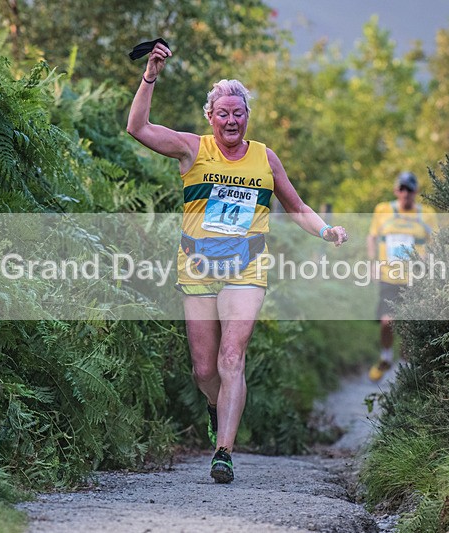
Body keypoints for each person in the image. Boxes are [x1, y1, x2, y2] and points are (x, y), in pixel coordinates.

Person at [126, 42, 348, 483]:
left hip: (246, 268)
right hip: (197, 267)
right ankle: (216, 406)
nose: (231, 120)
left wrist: (327, 231)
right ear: (211, 117)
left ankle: (223, 452)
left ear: (247, 116)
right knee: (205, 369)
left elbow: (298, 206)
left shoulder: (264, 158)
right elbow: (138, 127)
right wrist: (151, 72)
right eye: (223, 113)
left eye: (238, 113)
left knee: (232, 358)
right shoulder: (192, 149)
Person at [366, 171, 437, 382]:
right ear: (396, 191)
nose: (405, 193)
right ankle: (386, 357)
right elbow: (372, 237)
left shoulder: (427, 214)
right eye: (402, 189)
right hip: (388, 275)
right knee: (387, 322)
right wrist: (372, 262)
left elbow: (435, 243)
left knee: (407, 325)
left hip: (414, 278)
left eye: (410, 189)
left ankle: (406, 371)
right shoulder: (383, 210)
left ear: (416, 192)